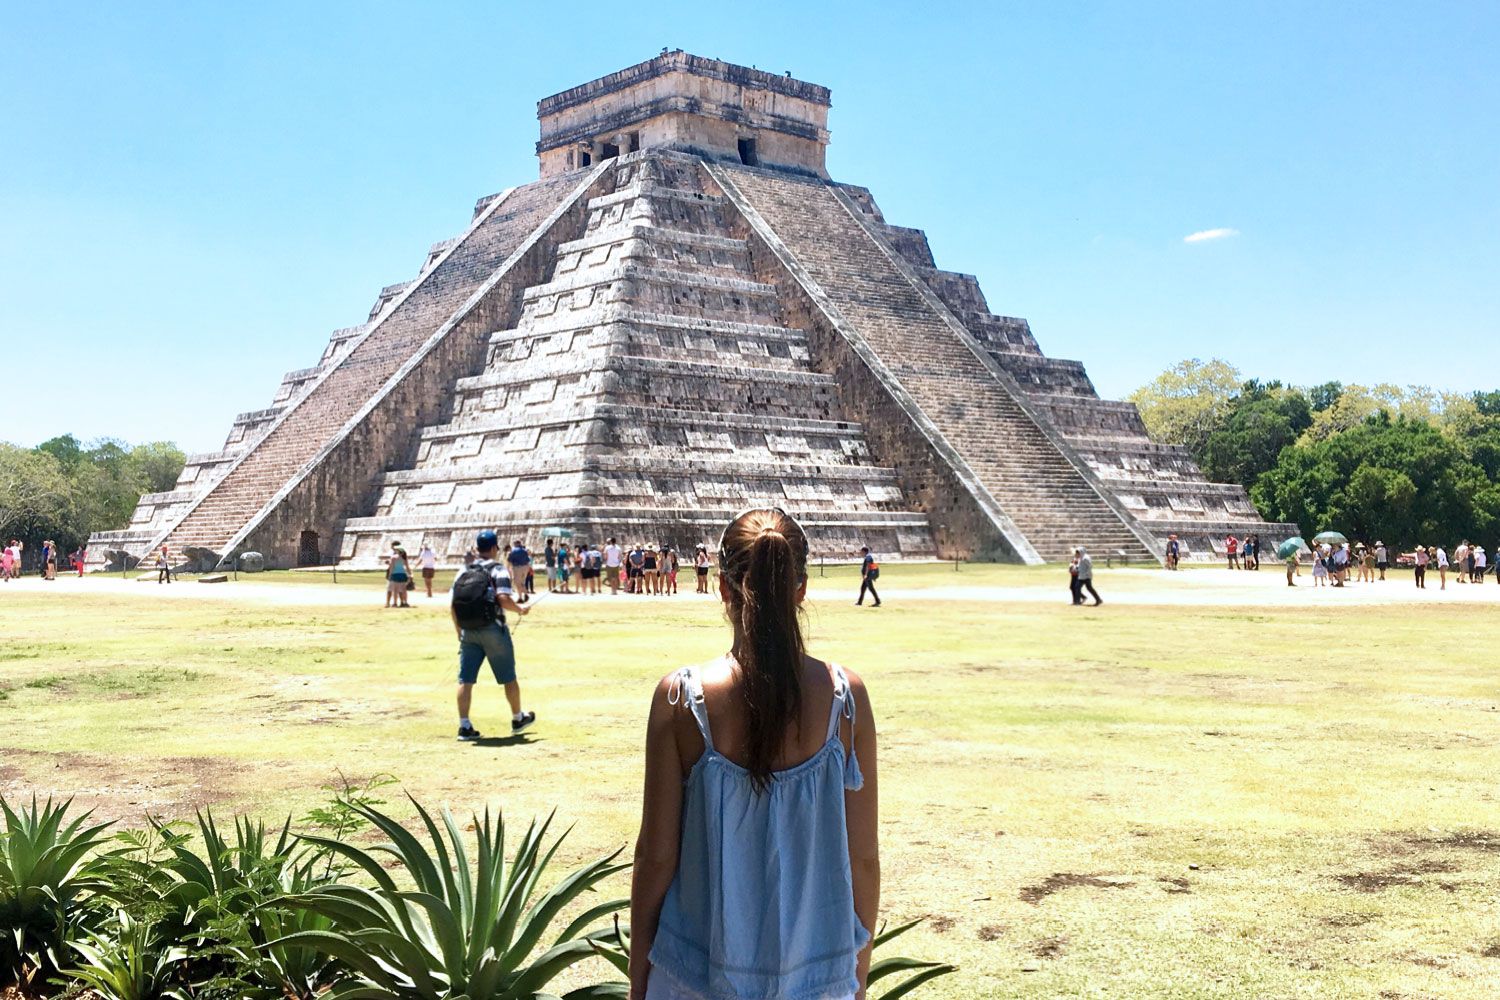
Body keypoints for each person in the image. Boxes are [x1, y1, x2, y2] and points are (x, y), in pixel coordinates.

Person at [628, 508, 878, 1000]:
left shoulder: (681, 699)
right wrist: (856, 974)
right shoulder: (846, 699)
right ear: (801, 589)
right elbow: (863, 858)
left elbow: (655, 858)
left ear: (723, 587)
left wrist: (639, 977)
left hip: (693, 975)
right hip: (818, 978)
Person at [450, 530, 534, 741]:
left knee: (465, 679)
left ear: (477, 549)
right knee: (508, 677)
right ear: (495, 548)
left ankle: (464, 726)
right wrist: (520, 610)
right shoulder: (498, 570)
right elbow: (503, 598)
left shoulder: (463, 570)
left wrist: (459, 631)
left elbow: (453, 605)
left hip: (468, 630)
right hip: (492, 629)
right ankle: (517, 718)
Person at [385, 542, 411, 607]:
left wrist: (390, 574)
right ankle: (404, 602)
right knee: (403, 590)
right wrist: (410, 574)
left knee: (395, 590)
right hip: (403, 574)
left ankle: (395, 603)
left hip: (395, 574)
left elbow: (392, 567)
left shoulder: (393, 557)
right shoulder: (404, 558)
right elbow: (407, 567)